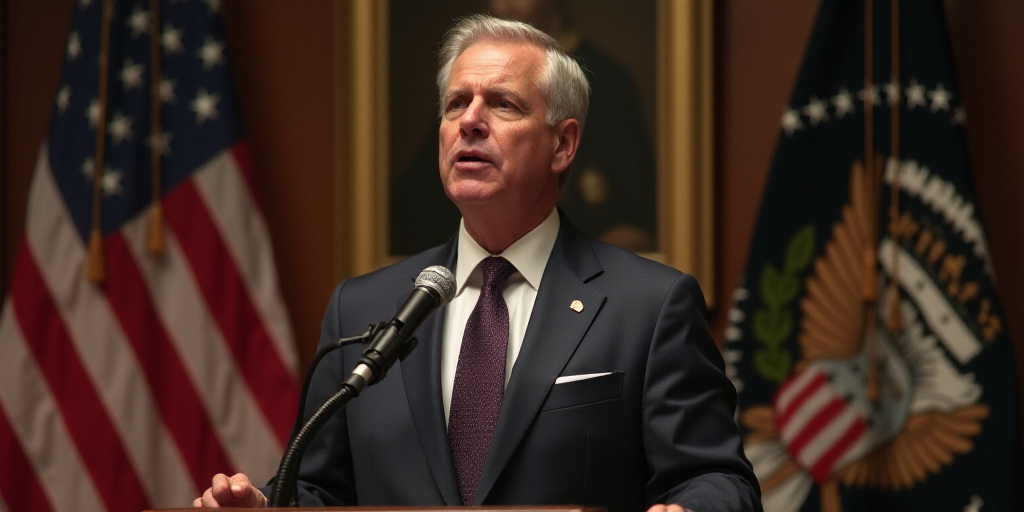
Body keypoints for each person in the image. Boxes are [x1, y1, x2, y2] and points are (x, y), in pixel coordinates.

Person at [196, 14, 760, 512]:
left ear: (563, 145)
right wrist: (265, 506)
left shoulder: (649, 305)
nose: (469, 120)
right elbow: (321, 490)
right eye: (455, 103)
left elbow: (716, 478)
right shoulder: (361, 307)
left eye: (503, 104)